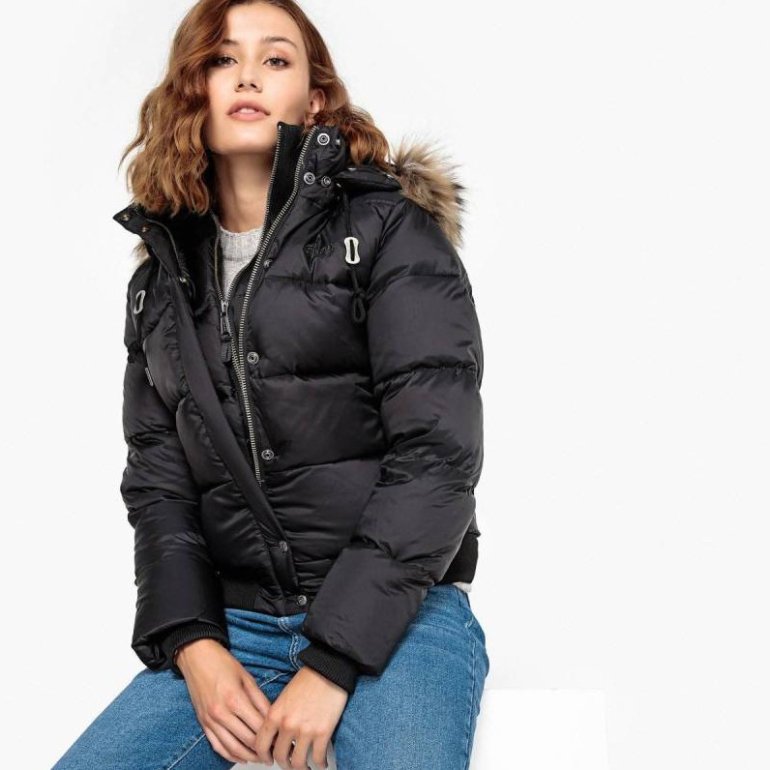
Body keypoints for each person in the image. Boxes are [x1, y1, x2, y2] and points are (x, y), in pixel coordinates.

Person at [52, 1, 489, 768]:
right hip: (238, 630)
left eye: (276, 58)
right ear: (193, 91)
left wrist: (333, 660)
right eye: (223, 59)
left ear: (315, 101)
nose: (248, 75)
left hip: (403, 618)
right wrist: (193, 644)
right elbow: (158, 487)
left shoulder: (389, 233)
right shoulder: (160, 283)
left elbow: (437, 458)